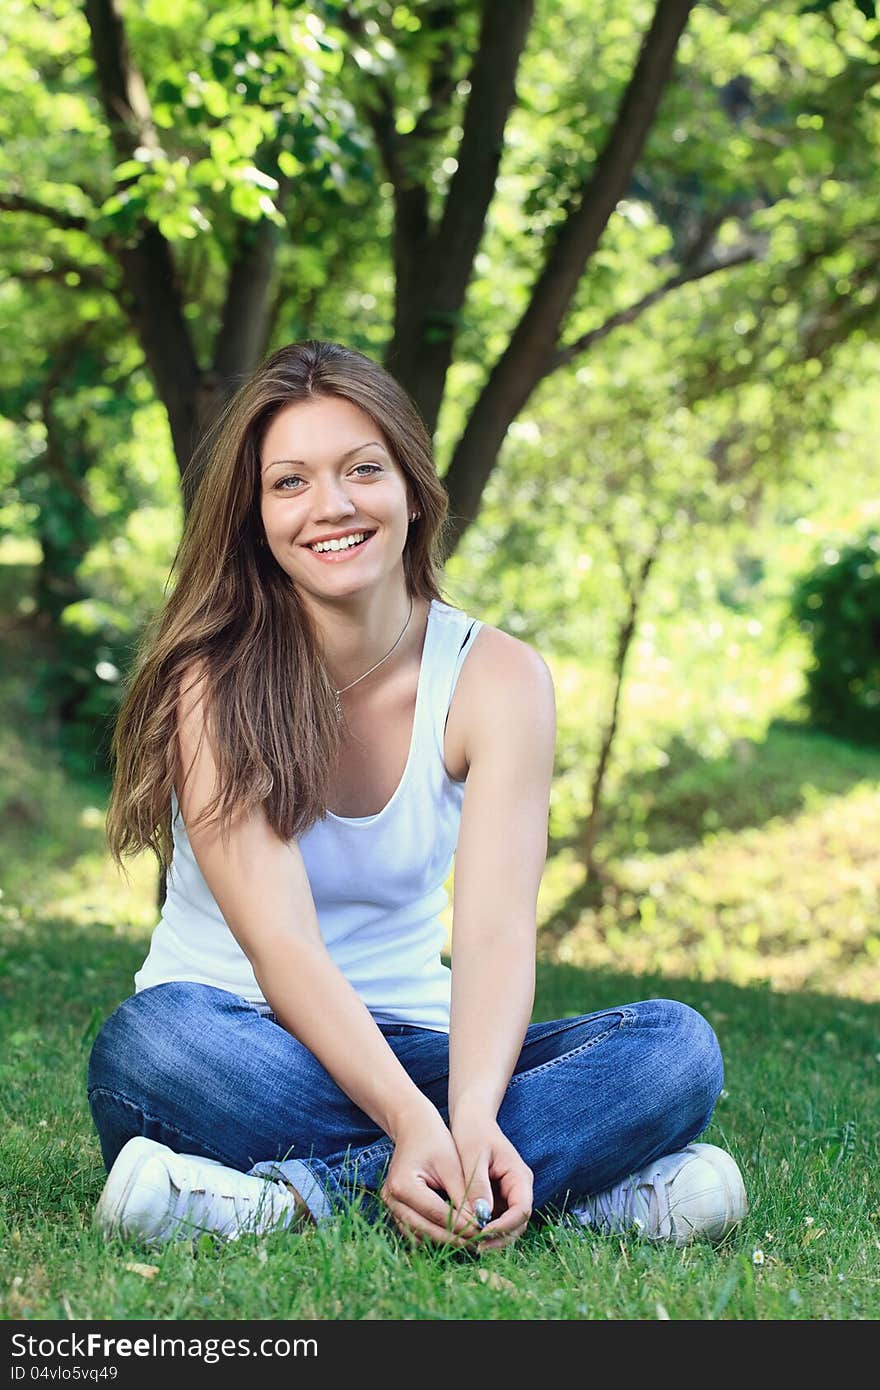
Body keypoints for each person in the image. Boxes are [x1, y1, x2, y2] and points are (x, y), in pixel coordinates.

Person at [87, 339, 747, 1253]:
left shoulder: (497, 677)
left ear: (411, 486)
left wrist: (469, 1109)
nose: (333, 506)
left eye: (363, 469)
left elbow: (494, 933)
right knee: (152, 1047)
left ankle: (290, 1204)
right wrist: (407, 1122)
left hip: (423, 1047)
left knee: (675, 1049)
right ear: (255, 515)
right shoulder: (214, 679)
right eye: (291, 482)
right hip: (234, 1040)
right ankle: (579, 1193)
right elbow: (282, 945)